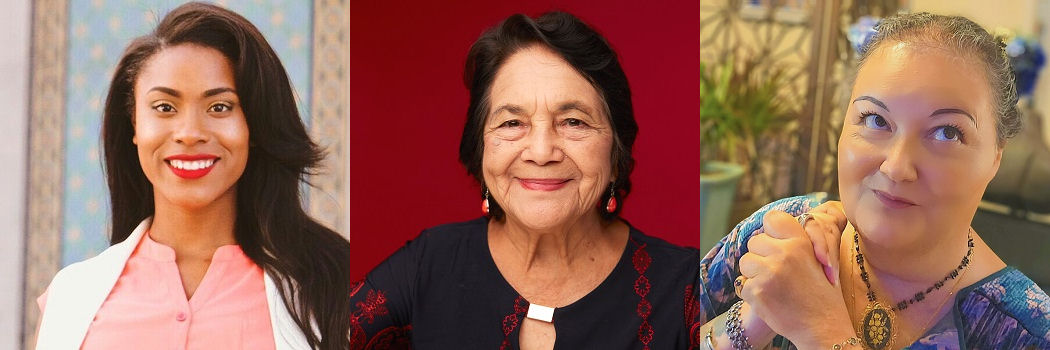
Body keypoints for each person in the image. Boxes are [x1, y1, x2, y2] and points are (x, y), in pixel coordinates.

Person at [348, 11, 711, 349]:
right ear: (481, 146)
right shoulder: (427, 266)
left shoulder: (687, 290)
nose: (540, 152)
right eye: (512, 123)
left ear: (616, 153)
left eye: (573, 122)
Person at [694, 12, 1050, 350]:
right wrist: (752, 321)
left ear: (995, 157)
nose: (896, 167)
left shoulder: (1026, 331)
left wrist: (821, 331)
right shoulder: (779, 234)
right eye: (876, 120)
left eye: (946, 133)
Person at [34, 3, 353, 349]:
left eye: (220, 107)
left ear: (254, 126)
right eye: (164, 108)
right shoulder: (70, 298)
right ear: (134, 124)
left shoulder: (333, 288)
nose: (189, 133)